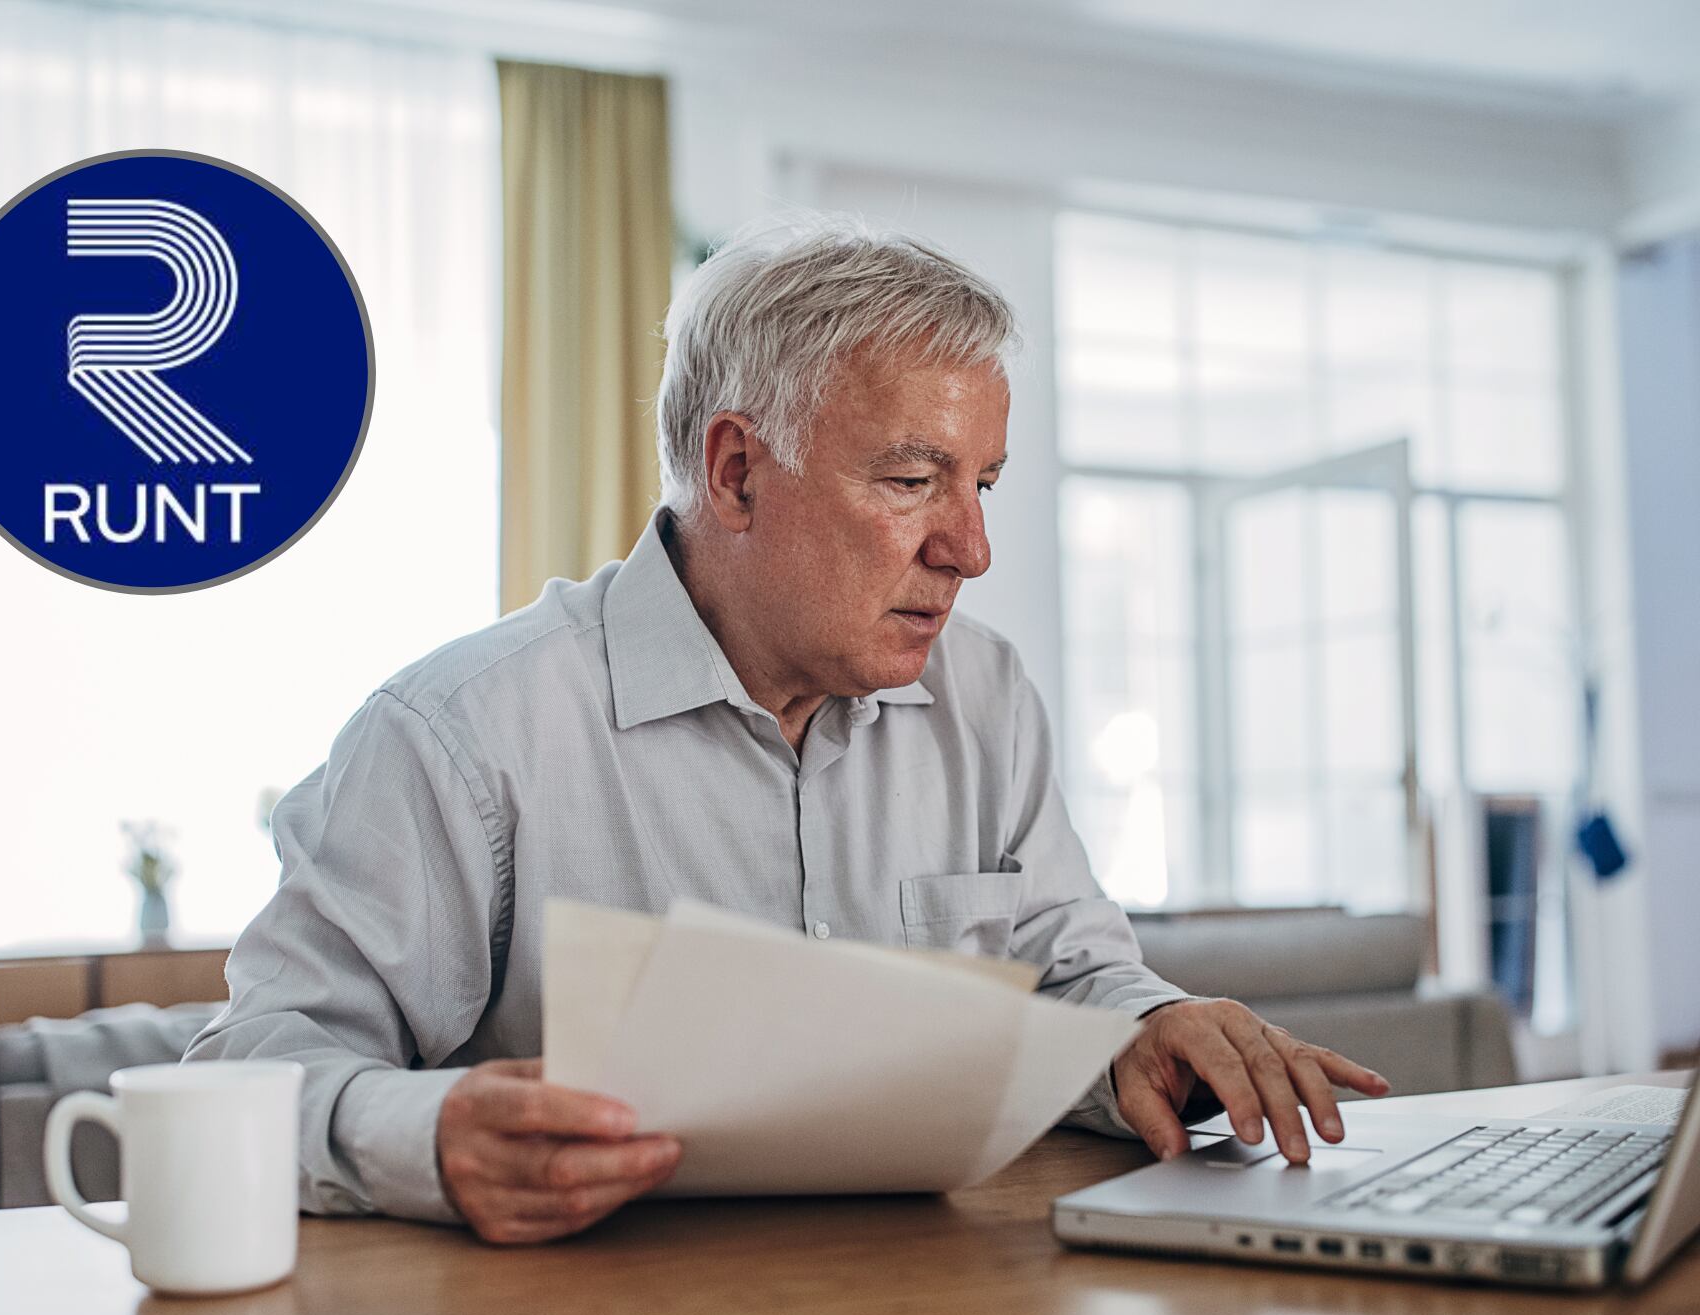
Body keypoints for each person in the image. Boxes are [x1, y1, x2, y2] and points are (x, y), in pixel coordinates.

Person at [184, 214, 1390, 1245]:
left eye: (986, 485)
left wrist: (1146, 1025)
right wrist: (433, 1138)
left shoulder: (988, 698)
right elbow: (248, 1078)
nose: (971, 550)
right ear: (737, 472)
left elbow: (1073, 970)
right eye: (913, 481)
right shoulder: (459, 735)